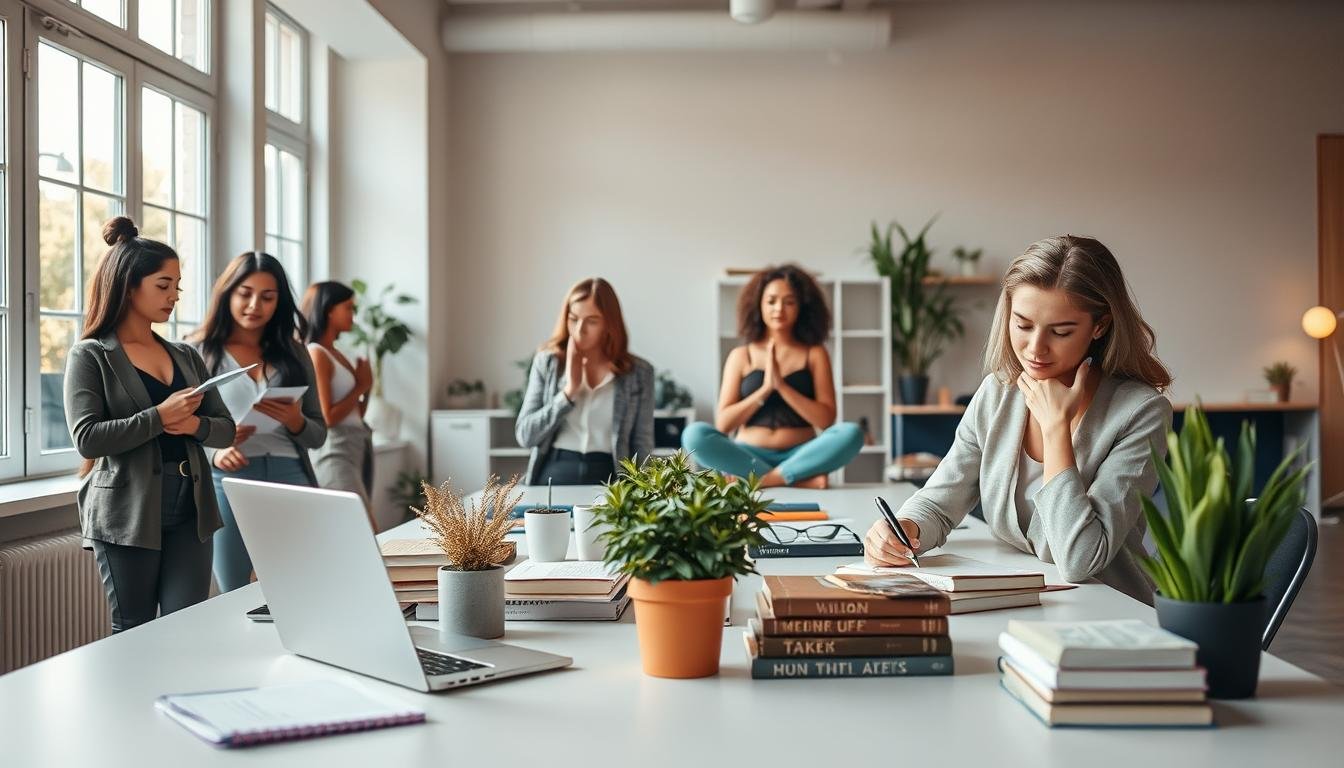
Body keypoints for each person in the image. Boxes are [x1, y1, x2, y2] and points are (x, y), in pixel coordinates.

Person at [863, 235, 1174, 604]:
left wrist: (1057, 428)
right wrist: (903, 531)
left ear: (1100, 326)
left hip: (1110, 610)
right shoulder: (998, 393)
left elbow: (1079, 560)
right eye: (1023, 325)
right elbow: (939, 501)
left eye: (1060, 332)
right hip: (1030, 601)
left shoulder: (1141, 412)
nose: (1035, 348)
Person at [63, 216, 235, 632]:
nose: (174, 295)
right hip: (126, 511)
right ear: (128, 284)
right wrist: (159, 417)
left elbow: (226, 429)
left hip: (192, 508)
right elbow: (87, 439)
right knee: (135, 629)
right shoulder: (91, 356)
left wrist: (193, 426)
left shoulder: (185, 355)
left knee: (186, 625)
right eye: (163, 285)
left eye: (177, 285)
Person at [191, 252, 328, 592]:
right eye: (245, 293)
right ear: (227, 294)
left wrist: (296, 421)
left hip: (291, 476)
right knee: (234, 589)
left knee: (301, 583)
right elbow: (180, 428)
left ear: (279, 302)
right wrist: (214, 453)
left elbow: (318, 435)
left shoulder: (295, 353)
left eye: (268, 297)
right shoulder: (195, 352)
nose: (255, 305)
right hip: (228, 480)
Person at [682, 264, 862, 488]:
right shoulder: (741, 355)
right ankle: (795, 480)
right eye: (771, 301)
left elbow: (826, 420)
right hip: (747, 456)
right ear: (758, 305)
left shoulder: (814, 353)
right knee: (694, 434)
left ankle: (764, 480)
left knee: (851, 433)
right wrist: (765, 389)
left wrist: (783, 387)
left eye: (789, 302)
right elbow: (724, 423)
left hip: (801, 455)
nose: (779, 308)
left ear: (801, 307)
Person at [516, 277, 654, 485]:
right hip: (555, 469)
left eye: (592, 321)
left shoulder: (639, 373)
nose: (580, 330)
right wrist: (568, 393)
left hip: (610, 474)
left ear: (610, 324)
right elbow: (526, 435)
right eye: (573, 318)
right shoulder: (547, 362)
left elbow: (642, 443)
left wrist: (643, 494)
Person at [302, 281, 376, 525]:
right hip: (334, 450)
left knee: (362, 526)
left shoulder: (337, 352)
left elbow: (356, 412)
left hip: (356, 444)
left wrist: (367, 388)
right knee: (362, 527)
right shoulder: (316, 353)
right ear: (329, 310)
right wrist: (361, 386)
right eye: (348, 308)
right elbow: (328, 417)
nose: (353, 316)